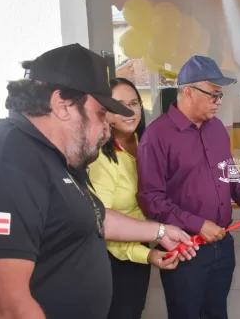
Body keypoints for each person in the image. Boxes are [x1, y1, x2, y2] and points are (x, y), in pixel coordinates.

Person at [0, 44, 198, 319]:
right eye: (99, 114)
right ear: (62, 105)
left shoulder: (57, 155)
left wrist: (159, 232)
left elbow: (93, 216)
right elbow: (5, 303)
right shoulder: (5, 160)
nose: (106, 128)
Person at [136, 55, 240, 319]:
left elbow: (228, 170)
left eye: (221, 96)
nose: (219, 102)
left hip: (222, 243)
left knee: (217, 311)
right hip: (186, 248)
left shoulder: (216, 128)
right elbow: (151, 198)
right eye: (214, 95)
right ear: (188, 92)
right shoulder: (157, 136)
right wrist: (196, 224)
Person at [87, 77, 176, 319]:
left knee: (135, 308)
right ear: (104, 111)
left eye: (134, 103)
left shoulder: (146, 142)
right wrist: (146, 254)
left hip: (144, 241)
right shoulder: (101, 159)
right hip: (114, 256)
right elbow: (102, 222)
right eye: (118, 104)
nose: (129, 111)